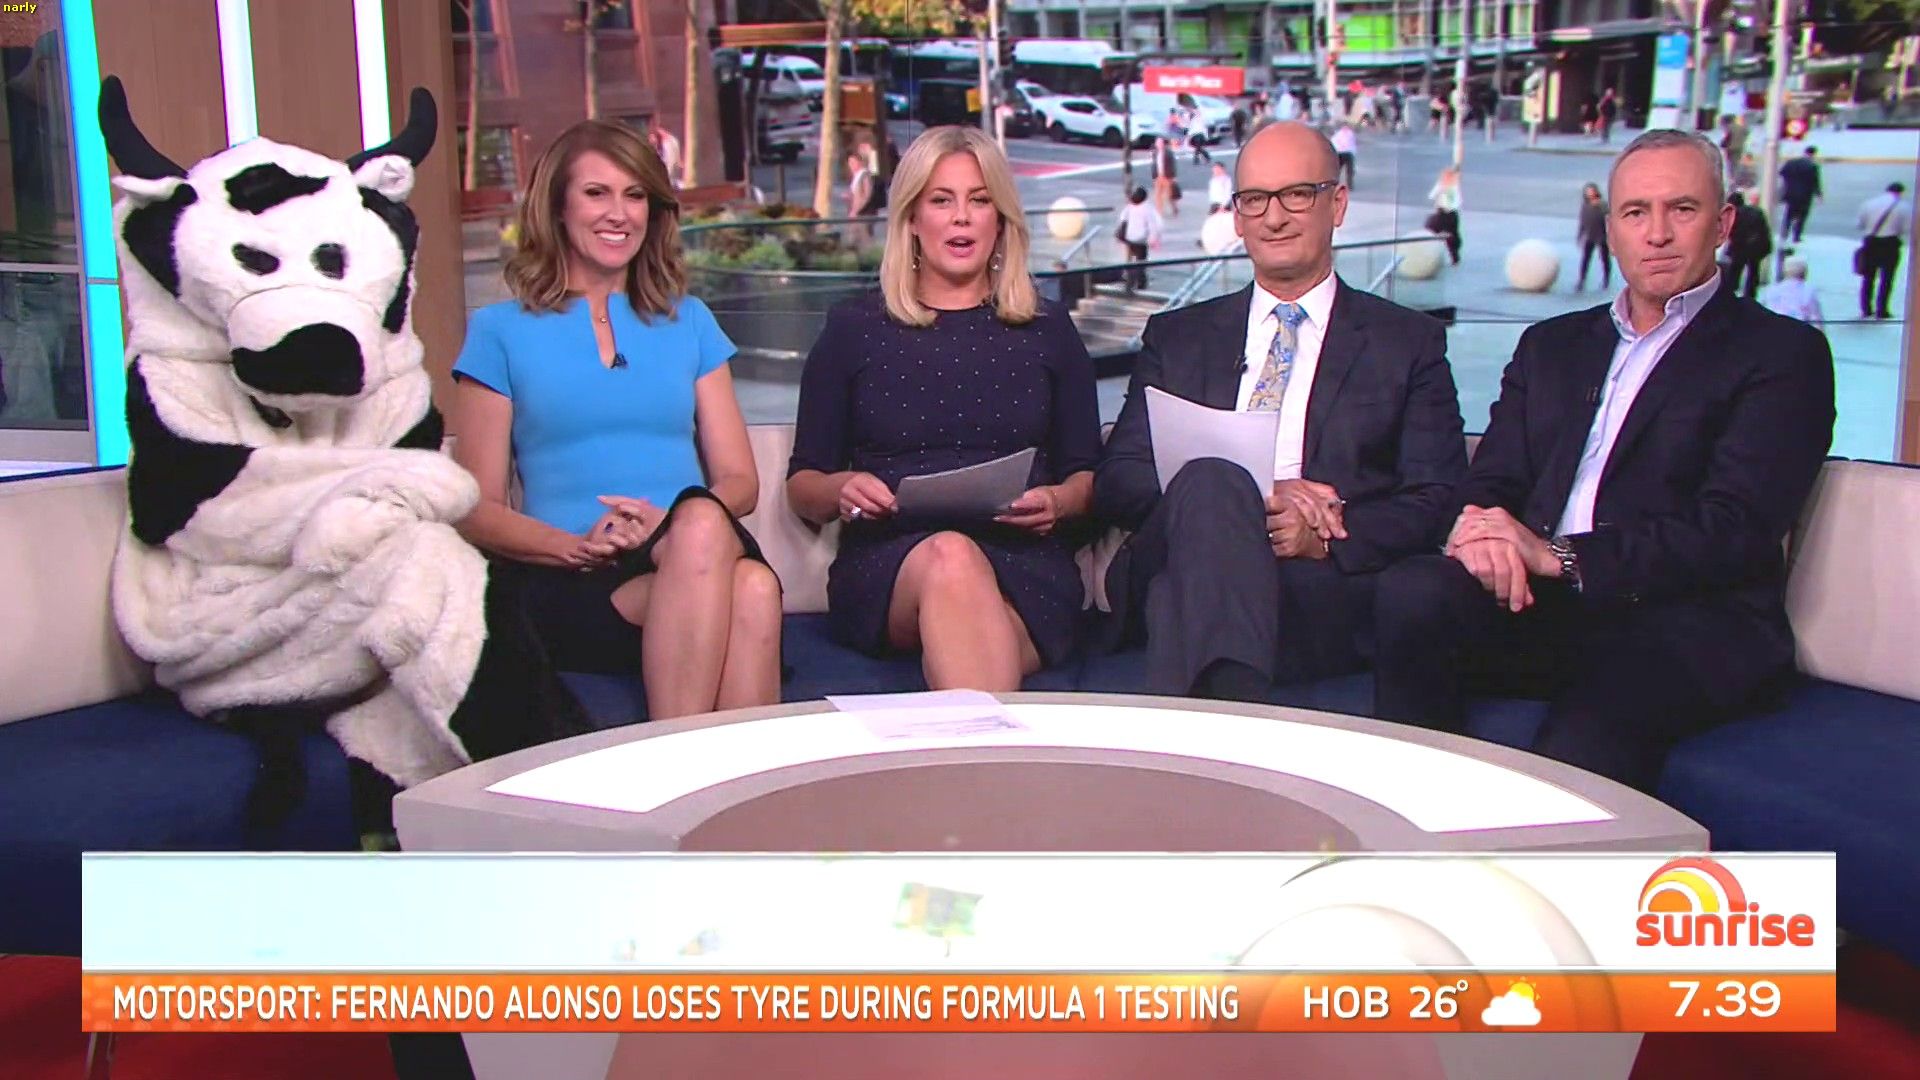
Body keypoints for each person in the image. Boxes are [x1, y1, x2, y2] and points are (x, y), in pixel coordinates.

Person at [1370, 129, 1835, 793]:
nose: (1658, 234)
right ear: (1611, 229)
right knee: (1414, 591)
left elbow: (1734, 528)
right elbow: (1493, 478)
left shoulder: (1781, 355)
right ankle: (1414, 819)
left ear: (1724, 223)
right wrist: (1482, 531)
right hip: (1541, 604)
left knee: (1602, 705)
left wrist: (1560, 556)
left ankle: (1555, 855)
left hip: (1685, 618)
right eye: (1636, 212)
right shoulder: (1552, 345)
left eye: (1682, 209)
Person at [1092, 121, 1467, 701]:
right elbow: (1120, 478)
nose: (1274, 218)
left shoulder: (1406, 343)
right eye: (1254, 199)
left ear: (1336, 204)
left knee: (1180, 603)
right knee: (1214, 481)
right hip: (1182, 547)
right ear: (1237, 216)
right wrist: (1255, 495)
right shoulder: (1178, 336)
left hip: (1314, 582)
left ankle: (1217, 712)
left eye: (1296, 195)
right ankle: (1237, 713)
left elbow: (1438, 494)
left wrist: (1326, 537)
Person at [450, 120, 782, 722]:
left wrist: (670, 526)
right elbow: (476, 508)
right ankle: (715, 765)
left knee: (713, 539)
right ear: (558, 207)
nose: (619, 213)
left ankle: (682, 755)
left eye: (635, 195)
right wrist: (575, 547)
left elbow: (740, 482)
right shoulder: (498, 331)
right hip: (569, 573)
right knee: (751, 590)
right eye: (596, 193)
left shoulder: (691, 320)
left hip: (689, 549)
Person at [785, 125, 1103, 692]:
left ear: (1000, 219)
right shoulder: (853, 330)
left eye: (979, 201)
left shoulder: (1049, 329)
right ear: (911, 218)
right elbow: (802, 487)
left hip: (1026, 565)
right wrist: (843, 489)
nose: (961, 218)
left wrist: (1058, 501)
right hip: (890, 565)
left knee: (972, 622)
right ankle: (992, 747)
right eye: (941, 200)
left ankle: (971, 743)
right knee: (952, 557)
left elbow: (1089, 477)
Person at [1856, 181, 1909, 320]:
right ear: (1900, 192)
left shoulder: (1869, 203)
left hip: (1871, 242)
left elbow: (1860, 225)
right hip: (1890, 243)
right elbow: (1905, 229)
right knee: (1887, 278)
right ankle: (1882, 309)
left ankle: (1866, 309)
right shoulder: (1903, 207)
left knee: (1868, 277)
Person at [1114, 186, 1163, 293]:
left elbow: (1122, 219)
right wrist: (1153, 238)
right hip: (1141, 239)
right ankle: (1141, 282)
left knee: (1131, 259)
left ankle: (1130, 281)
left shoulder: (1130, 207)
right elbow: (1152, 225)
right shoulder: (1147, 209)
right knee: (1141, 260)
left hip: (1129, 237)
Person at [1724, 191, 1772, 300]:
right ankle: (1750, 294)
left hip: (1741, 247)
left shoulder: (1735, 214)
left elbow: (1731, 233)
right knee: (1753, 271)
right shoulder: (1756, 211)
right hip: (1756, 247)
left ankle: (1731, 291)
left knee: (1735, 270)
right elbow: (1764, 230)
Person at [1761, 257, 1823, 327]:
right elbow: (1815, 320)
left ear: (1784, 270)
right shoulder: (1808, 291)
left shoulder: (1771, 290)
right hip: (1798, 330)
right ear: (1805, 272)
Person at [1779, 147, 1821, 243]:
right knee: (1801, 216)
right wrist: (1819, 194)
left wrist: (1789, 182)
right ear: (1813, 154)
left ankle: (1784, 234)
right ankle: (1796, 236)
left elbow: (1782, 173)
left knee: (1789, 215)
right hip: (1805, 195)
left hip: (1791, 193)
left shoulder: (1791, 162)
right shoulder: (1812, 166)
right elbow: (1815, 182)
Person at [1575, 182, 1611, 291]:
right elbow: (1582, 222)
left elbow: (1609, 219)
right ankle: (1581, 281)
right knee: (1585, 259)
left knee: (1605, 259)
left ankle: (1606, 280)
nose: (1589, 193)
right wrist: (1580, 235)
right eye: (1588, 191)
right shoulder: (1585, 206)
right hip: (1590, 236)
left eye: (1591, 191)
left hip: (1602, 236)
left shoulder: (1603, 205)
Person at [1427, 166, 1462, 265]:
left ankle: (1452, 256)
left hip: (1443, 213)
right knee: (1452, 234)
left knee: (1432, 231)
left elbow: (1431, 196)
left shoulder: (1444, 186)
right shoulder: (1453, 187)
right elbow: (1458, 202)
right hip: (1450, 213)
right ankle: (1454, 257)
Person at [1151, 135, 1179, 218]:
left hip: (1167, 176)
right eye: (1157, 142)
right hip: (1158, 176)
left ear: (1163, 143)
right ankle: (1159, 211)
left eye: (1160, 142)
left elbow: (1172, 165)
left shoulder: (1168, 153)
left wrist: (1173, 177)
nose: (1158, 144)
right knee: (1158, 195)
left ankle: (1174, 207)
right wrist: (1154, 176)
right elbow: (1154, 165)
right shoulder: (1155, 153)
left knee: (1169, 194)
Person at [1330, 123, 1358, 190]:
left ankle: (1349, 185)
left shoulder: (1349, 133)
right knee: (1343, 170)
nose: (1345, 128)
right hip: (1343, 153)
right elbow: (1334, 142)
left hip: (1346, 153)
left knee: (1348, 170)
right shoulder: (1339, 134)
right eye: (1345, 127)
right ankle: (1337, 183)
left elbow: (1353, 143)